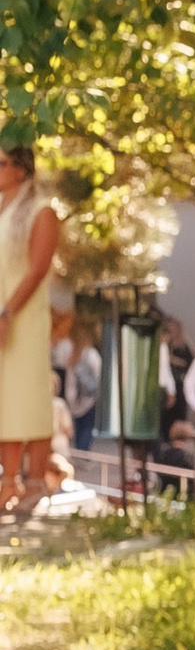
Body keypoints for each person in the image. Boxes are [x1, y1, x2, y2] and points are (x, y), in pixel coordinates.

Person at [0, 135, 63, 515]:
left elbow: (38, 269)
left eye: (2, 163)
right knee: (5, 399)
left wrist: (7, 313)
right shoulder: (1, 209)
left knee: (30, 396)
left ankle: (36, 481)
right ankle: (9, 480)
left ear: (21, 168)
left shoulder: (42, 211)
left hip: (23, 317)